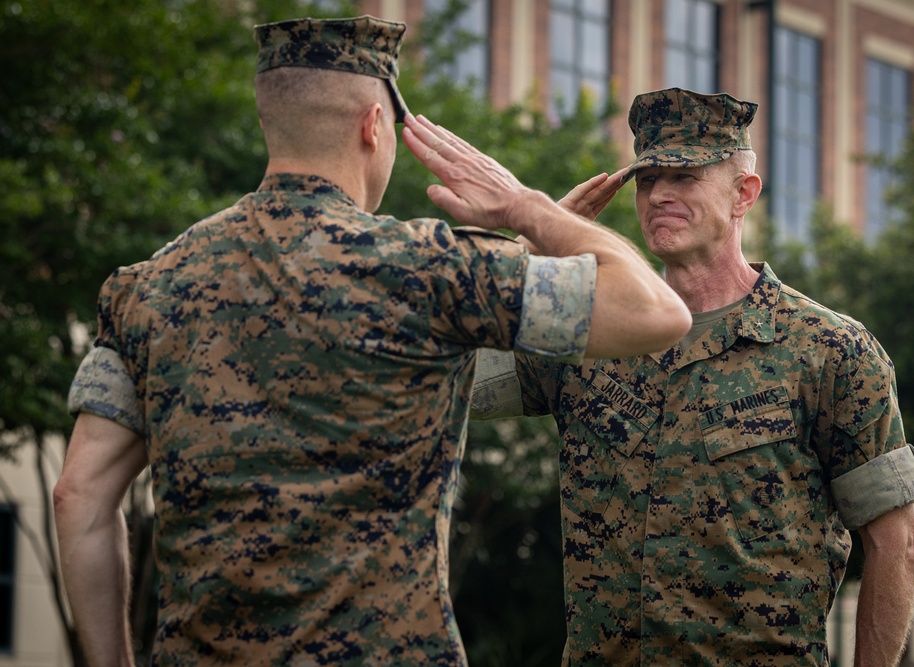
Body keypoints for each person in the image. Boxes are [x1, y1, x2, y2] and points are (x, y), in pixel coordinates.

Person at [52, 17, 691, 667]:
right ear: (374, 128)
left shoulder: (150, 286)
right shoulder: (429, 270)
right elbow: (657, 311)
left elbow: (78, 494)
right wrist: (528, 209)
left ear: (272, 121)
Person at [471, 87, 914, 665]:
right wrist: (531, 247)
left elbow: (896, 543)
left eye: (684, 177)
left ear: (744, 194)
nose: (659, 194)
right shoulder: (590, 330)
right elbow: (456, 378)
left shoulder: (829, 350)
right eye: (646, 178)